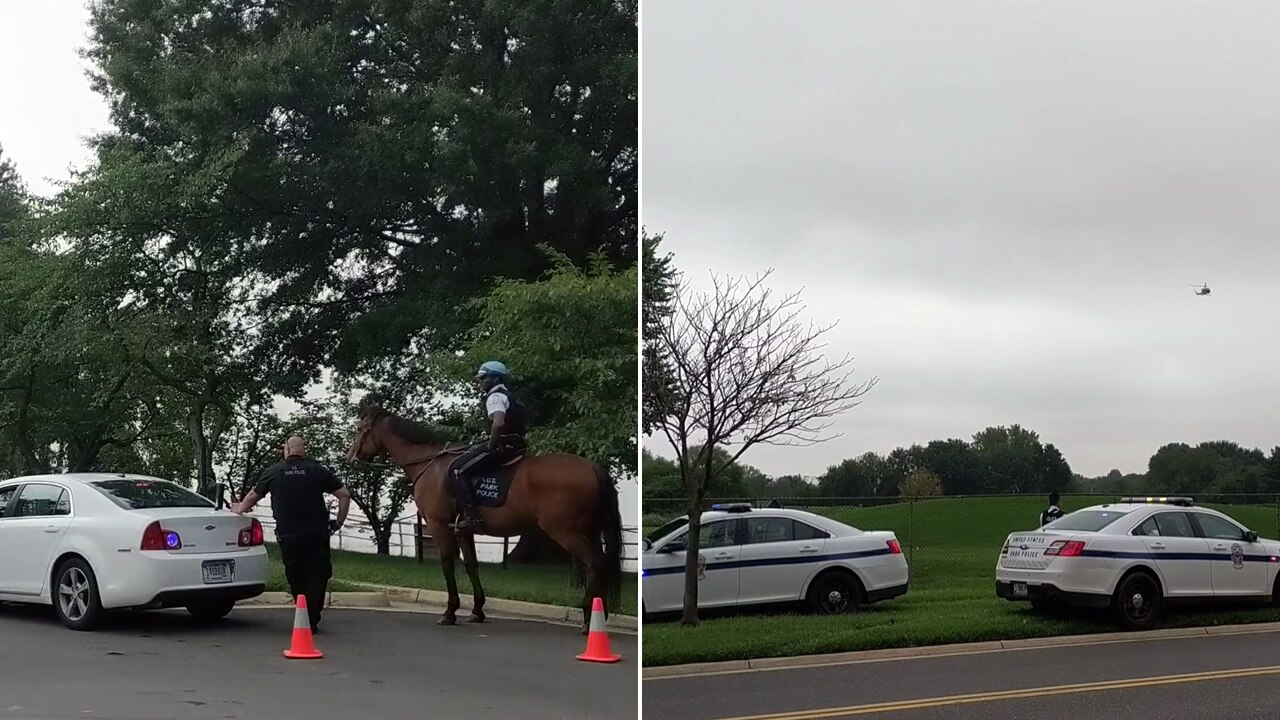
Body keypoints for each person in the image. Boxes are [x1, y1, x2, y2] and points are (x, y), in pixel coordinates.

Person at [232, 435, 350, 632]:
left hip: (289, 535)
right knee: (317, 574)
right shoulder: (317, 470)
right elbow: (344, 494)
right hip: (317, 534)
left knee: (296, 575)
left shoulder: (274, 472)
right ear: (303, 450)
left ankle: (303, 611)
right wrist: (338, 522)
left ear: (286, 449)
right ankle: (312, 617)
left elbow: (253, 496)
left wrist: (240, 508)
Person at [449, 360, 529, 531]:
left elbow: (498, 423)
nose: (480, 381)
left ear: (495, 378)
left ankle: (471, 517)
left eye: (483, 378)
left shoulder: (495, 397)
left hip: (503, 446)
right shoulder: (511, 396)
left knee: (457, 469)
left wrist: (491, 445)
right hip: (517, 445)